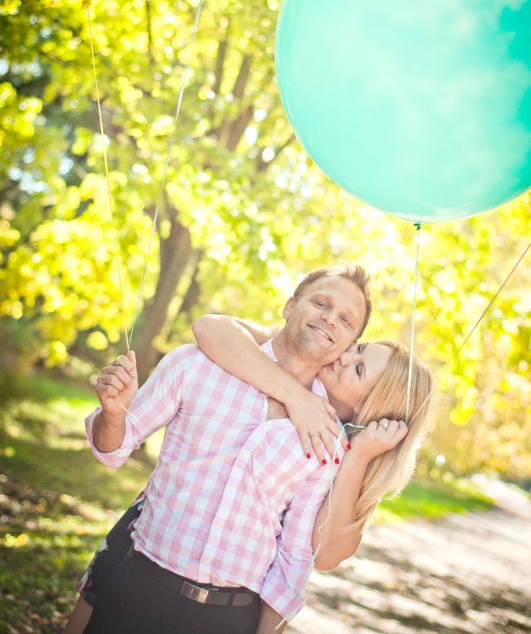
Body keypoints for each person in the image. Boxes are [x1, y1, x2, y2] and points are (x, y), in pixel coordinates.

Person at [69, 265, 432, 633]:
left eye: (346, 321)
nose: (330, 321)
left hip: (226, 617)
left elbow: (299, 556)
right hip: (140, 574)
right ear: (289, 306)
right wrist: (113, 414)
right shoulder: (199, 363)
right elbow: (114, 447)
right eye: (321, 303)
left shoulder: (331, 444)